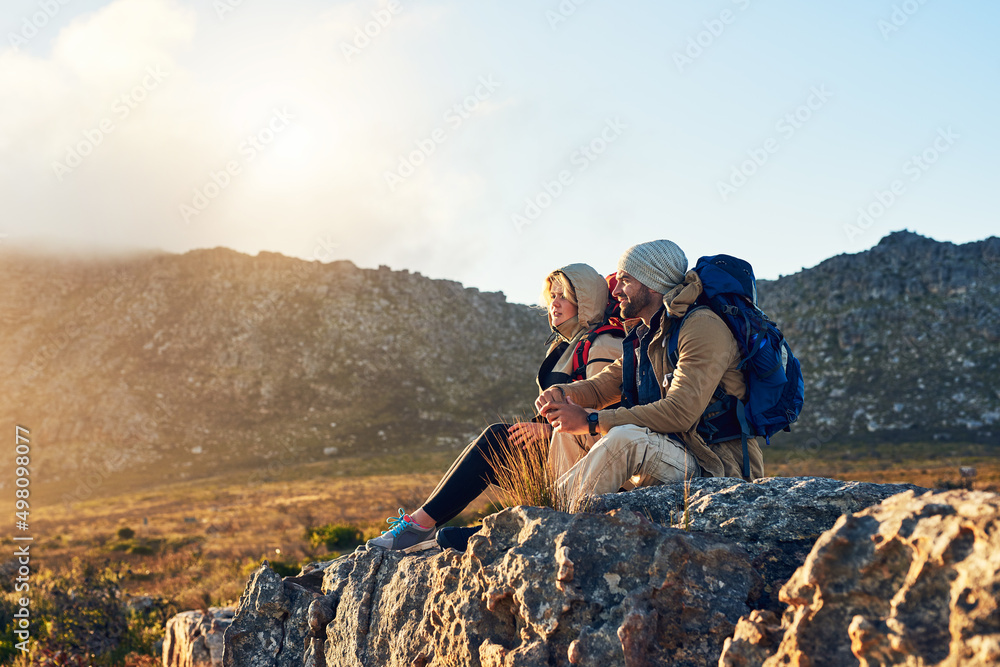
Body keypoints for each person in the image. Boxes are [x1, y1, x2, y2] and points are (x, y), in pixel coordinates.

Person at [365, 263, 624, 552]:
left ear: (587, 298)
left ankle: (426, 526)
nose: (555, 304)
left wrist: (549, 433)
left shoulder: (605, 344)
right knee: (497, 438)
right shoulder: (565, 345)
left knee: (497, 438)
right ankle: (424, 524)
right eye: (552, 296)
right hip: (562, 449)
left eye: (564, 295)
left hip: (585, 458)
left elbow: (610, 419)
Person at [536, 240, 765, 509]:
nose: (616, 290)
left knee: (625, 439)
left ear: (651, 283)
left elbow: (680, 412)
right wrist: (562, 394)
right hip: (670, 452)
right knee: (567, 430)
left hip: (714, 464)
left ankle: (552, 518)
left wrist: (592, 420)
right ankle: (550, 515)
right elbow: (602, 387)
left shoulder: (701, 327)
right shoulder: (647, 334)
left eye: (626, 281)